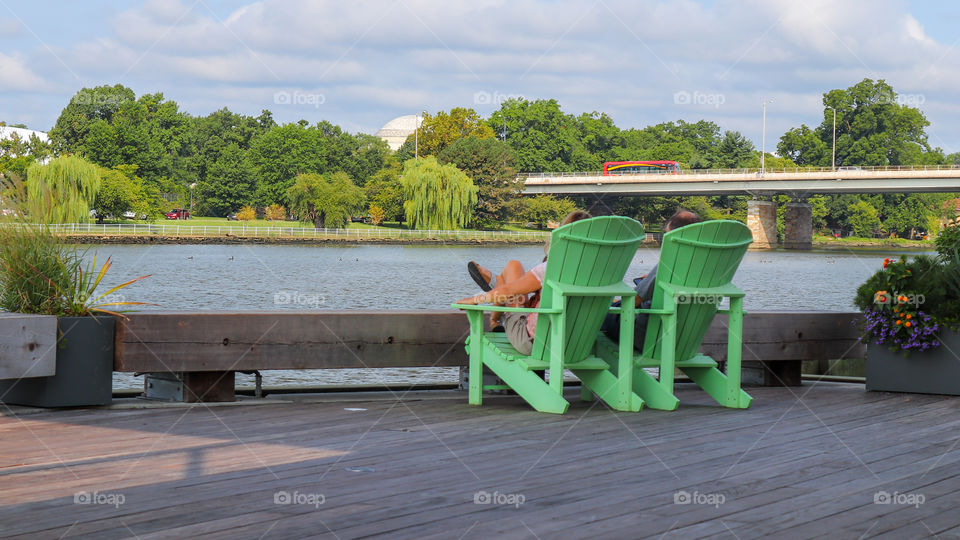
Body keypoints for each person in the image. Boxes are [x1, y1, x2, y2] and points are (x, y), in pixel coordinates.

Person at [457, 211, 591, 355]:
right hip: (579, 345)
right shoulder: (604, 272)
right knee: (514, 269)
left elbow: (511, 291)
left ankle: (495, 312)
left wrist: (474, 299)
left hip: (534, 342)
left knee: (511, 277)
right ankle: (497, 288)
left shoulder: (553, 268)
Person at [601, 208, 702, 348]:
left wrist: (613, 305)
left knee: (596, 315)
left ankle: (574, 352)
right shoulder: (708, 268)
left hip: (646, 336)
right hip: (684, 340)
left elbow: (635, 300)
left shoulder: (671, 262)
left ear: (673, 235)